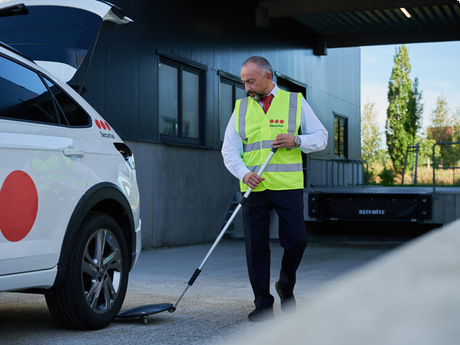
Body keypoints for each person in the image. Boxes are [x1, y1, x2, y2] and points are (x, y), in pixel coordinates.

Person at [221, 56, 328, 322]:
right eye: (243, 82)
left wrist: (297, 140)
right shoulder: (241, 108)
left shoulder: (295, 102)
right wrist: (244, 174)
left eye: (250, 81)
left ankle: (285, 284)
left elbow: (322, 137)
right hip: (254, 188)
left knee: (296, 241)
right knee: (256, 247)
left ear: (268, 77)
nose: (246, 87)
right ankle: (263, 304)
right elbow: (229, 149)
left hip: (287, 187)